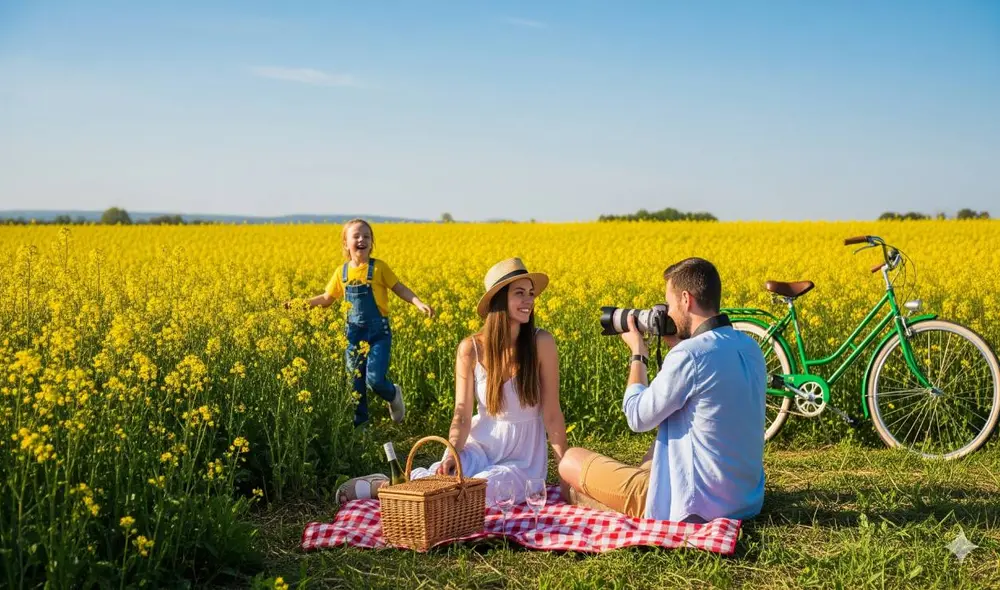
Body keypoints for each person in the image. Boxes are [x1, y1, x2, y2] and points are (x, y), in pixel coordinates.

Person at [337, 258, 568, 505]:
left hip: (522, 461)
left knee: (480, 491)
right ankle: (386, 485)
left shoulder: (541, 343)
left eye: (531, 294)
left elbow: (552, 414)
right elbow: (462, 415)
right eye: (520, 293)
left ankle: (393, 488)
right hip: (480, 445)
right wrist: (451, 453)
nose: (529, 301)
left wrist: (565, 477)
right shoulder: (470, 349)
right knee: (443, 479)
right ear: (499, 300)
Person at [558, 257, 766, 522]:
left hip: (696, 506)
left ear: (685, 299)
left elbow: (637, 417)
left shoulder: (690, 355)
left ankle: (614, 509)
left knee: (570, 462)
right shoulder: (749, 346)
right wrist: (676, 347)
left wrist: (638, 353)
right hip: (745, 500)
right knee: (657, 449)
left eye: (669, 303)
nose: (666, 312)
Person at [296, 218, 434, 428]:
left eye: (366, 236)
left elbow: (399, 288)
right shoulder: (341, 272)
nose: (362, 239)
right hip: (352, 334)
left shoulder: (379, 268)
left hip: (378, 333)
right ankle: (361, 429)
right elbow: (326, 299)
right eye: (356, 236)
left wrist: (418, 302)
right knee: (355, 384)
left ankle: (393, 394)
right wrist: (301, 304)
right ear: (346, 244)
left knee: (374, 379)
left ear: (372, 243)